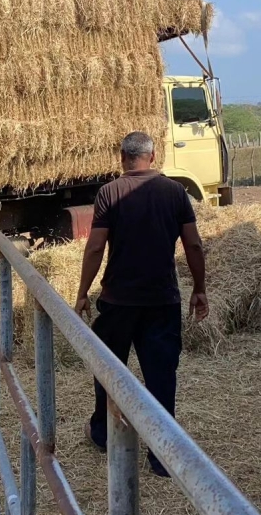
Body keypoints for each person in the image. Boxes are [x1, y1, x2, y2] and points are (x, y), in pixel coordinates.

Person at [74, 132, 208, 478]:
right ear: (154, 155)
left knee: (109, 370)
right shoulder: (175, 192)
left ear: (122, 157)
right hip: (162, 300)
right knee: (161, 376)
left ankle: (104, 435)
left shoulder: (109, 193)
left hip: (118, 301)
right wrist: (199, 288)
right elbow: (193, 245)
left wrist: (83, 291)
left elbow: (95, 248)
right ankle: (162, 457)